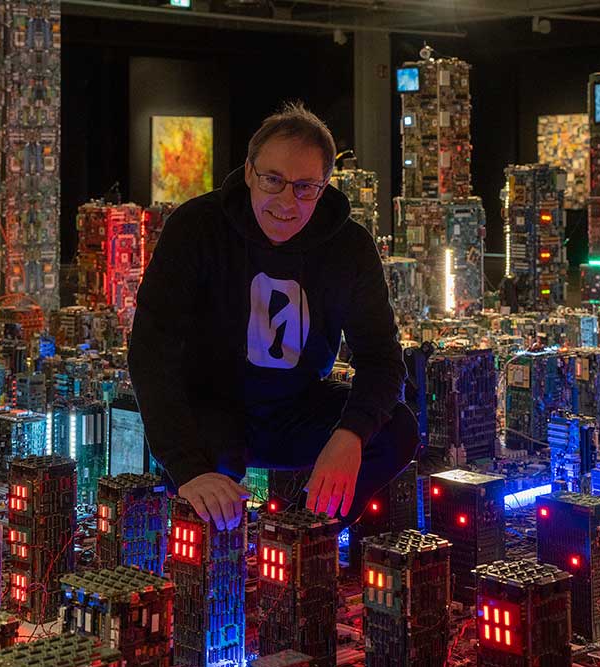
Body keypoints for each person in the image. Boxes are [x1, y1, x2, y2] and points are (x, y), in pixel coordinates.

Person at [128, 102, 418, 530]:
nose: (287, 201)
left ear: (324, 187)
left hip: (296, 408)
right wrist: (189, 469)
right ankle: (215, 550)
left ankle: (301, 537)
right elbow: (151, 354)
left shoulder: (349, 247)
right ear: (249, 173)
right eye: (273, 180)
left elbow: (382, 359)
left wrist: (351, 434)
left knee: (397, 428)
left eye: (305, 187)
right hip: (210, 408)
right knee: (210, 496)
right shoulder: (196, 228)